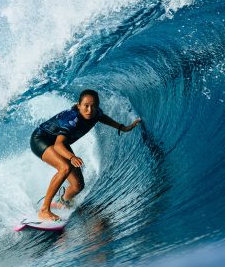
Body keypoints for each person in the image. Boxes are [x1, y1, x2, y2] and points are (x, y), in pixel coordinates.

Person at [30, 89, 142, 221]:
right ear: (79, 105)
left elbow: (102, 117)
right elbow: (58, 145)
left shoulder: (96, 113)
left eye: (93, 106)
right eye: (86, 106)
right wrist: (72, 157)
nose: (90, 110)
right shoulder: (73, 120)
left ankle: (62, 202)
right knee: (65, 167)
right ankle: (44, 210)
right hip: (41, 139)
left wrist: (122, 127)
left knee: (78, 185)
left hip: (59, 142)